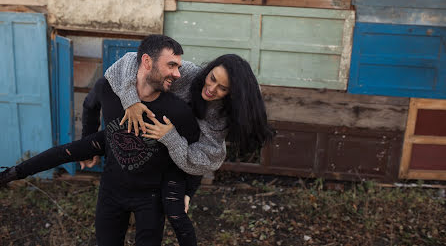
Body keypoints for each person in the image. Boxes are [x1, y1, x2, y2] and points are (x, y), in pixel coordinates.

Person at [0, 35, 201, 246]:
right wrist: (89, 145)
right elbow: (89, 106)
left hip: (150, 196)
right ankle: (7, 175)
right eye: (171, 65)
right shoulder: (109, 88)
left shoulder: (177, 111)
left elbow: (196, 154)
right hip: (111, 191)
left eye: (178, 66)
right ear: (147, 62)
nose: (177, 74)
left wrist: (187, 192)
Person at [81, 51, 274, 177]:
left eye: (222, 88)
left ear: (232, 93)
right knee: (101, 87)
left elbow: (209, 159)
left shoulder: (220, 116)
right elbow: (132, 59)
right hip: (136, 141)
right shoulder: (187, 73)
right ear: (208, 70)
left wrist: (170, 138)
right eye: (212, 78)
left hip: (169, 165)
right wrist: (131, 101)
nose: (211, 89)